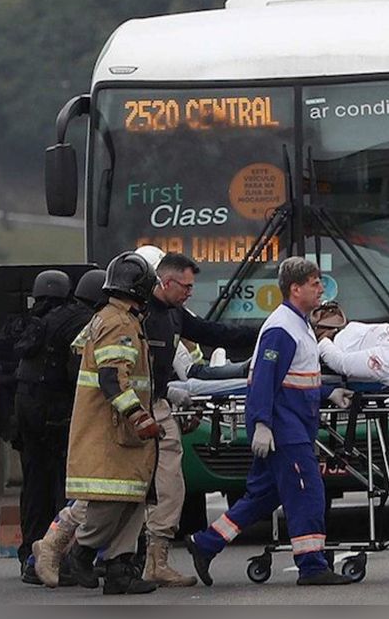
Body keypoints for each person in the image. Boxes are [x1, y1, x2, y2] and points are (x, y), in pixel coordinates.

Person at [184, 257, 354, 586]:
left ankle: (206, 543)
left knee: (264, 496)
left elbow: (296, 380)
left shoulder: (298, 323)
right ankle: (312, 567)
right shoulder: (282, 328)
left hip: (289, 425)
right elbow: (263, 379)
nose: (321, 289)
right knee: (308, 493)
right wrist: (261, 423)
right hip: (284, 430)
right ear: (295, 288)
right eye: (315, 283)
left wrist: (327, 393)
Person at [137, 248, 257, 587]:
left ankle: (155, 561)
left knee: (170, 484)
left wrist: (261, 332)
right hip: (130, 406)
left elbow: (212, 333)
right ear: (167, 281)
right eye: (187, 287)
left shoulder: (175, 315)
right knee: (119, 488)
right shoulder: (139, 315)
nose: (191, 293)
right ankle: (60, 543)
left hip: (157, 403)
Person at [55, 251, 162, 595]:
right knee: (109, 503)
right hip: (115, 431)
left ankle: (120, 570)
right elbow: (112, 377)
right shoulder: (118, 322)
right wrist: (138, 416)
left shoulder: (114, 318)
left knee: (132, 501)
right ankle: (81, 554)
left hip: (125, 435)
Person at [14, 269, 106, 584]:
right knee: (64, 484)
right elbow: (77, 373)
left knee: (34, 484)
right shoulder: (83, 321)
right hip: (56, 411)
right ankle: (55, 560)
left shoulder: (45, 319)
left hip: (26, 409)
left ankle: (28, 555)